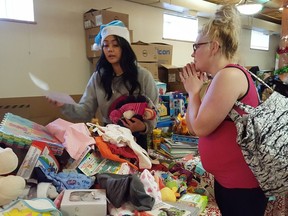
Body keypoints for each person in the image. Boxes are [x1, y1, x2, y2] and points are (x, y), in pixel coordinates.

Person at [180, 5, 268, 216]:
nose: (193, 53)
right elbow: (192, 127)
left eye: (196, 46)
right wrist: (195, 91)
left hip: (243, 188)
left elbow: (199, 127)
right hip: (229, 184)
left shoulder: (230, 76)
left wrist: (193, 93)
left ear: (214, 47)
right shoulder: (216, 80)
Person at [48, 20, 158, 150]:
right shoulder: (98, 78)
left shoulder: (144, 76)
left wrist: (143, 126)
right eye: (105, 45)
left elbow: (154, 113)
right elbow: (85, 112)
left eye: (115, 45)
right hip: (110, 138)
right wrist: (65, 104)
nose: (110, 50)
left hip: (137, 140)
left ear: (125, 47)